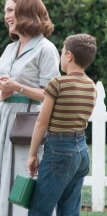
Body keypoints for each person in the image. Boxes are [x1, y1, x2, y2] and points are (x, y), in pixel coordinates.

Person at [0, 0, 60, 216]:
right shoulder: (9, 49)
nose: (6, 16)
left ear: (26, 13)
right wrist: (2, 92)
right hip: (5, 119)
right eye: (5, 11)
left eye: (10, 10)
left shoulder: (46, 49)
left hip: (30, 121)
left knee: (24, 174)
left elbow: (51, 94)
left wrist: (18, 88)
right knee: (0, 172)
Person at [27, 33, 97, 216]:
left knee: (39, 209)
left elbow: (42, 122)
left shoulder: (57, 83)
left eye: (61, 53)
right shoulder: (91, 86)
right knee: (70, 210)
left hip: (59, 150)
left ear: (69, 56)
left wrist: (32, 155)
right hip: (81, 150)